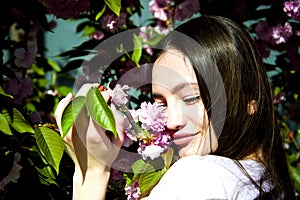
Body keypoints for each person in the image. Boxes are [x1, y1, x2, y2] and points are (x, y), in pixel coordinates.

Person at [54, 15, 296, 199]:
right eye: (162, 103)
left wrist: (93, 171)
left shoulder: (198, 177)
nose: (171, 122)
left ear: (249, 99)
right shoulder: (268, 184)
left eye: (191, 98)